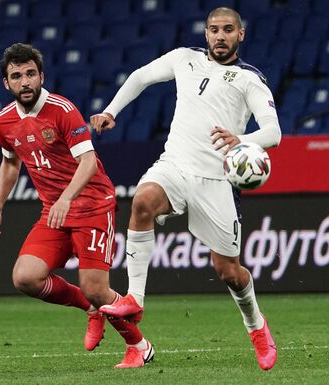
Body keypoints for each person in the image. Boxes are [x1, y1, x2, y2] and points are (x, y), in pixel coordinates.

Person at [90, 7, 281, 370]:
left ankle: (256, 325)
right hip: (175, 165)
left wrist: (241, 139)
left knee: (229, 272)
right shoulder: (184, 59)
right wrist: (112, 110)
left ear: (241, 34)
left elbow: (274, 132)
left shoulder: (249, 79)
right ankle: (135, 298)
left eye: (228, 30)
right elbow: (141, 76)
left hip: (217, 181)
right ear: (206, 33)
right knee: (142, 202)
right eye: (214, 29)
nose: (220, 36)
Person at [0, 43, 154, 369]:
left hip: (92, 204)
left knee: (96, 288)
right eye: (17, 76)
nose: (25, 82)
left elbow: (88, 162)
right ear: (6, 83)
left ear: (41, 76)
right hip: (55, 211)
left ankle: (139, 346)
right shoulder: (4, 121)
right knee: (25, 278)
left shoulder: (62, 110)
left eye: (31, 74)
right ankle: (92, 309)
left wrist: (65, 198)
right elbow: (10, 163)